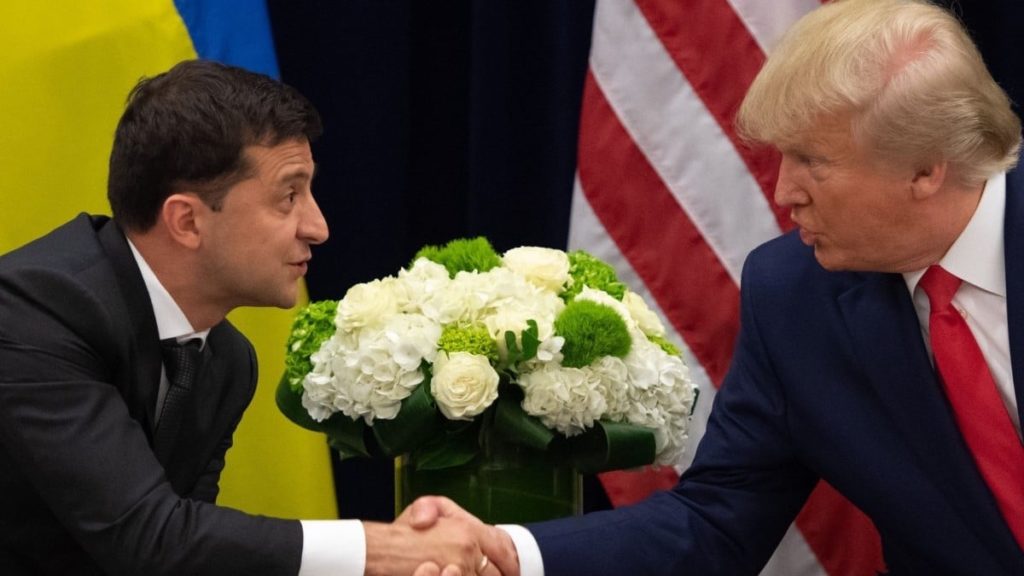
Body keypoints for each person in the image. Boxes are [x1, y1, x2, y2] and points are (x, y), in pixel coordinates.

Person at [422, 0, 1024, 574]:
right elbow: (715, 521)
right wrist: (509, 553)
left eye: (813, 161)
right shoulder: (793, 293)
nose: (785, 193)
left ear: (925, 168)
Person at [0, 59, 516, 575]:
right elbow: (148, 536)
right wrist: (378, 551)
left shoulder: (226, 360)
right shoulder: (32, 310)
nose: (318, 227)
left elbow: (186, 559)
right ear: (187, 220)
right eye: (289, 195)